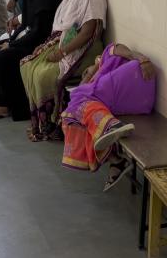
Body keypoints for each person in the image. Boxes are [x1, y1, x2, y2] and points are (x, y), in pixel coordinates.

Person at [19, 0, 106, 142]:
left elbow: (87, 33)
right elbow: (63, 29)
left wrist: (61, 52)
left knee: (43, 76)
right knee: (27, 64)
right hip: (65, 42)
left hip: (84, 50)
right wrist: (45, 48)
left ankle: (53, 123)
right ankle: (41, 122)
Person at [61, 43, 156, 190]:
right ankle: (115, 158)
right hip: (132, 98)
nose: (87, 74)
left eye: (86, 73)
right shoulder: (96, 82)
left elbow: (124, 50)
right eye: (85, 75)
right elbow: (83, 87)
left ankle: (111, 128)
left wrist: (142, 59)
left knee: (78, 104)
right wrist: (85, 82)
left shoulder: (107, 55)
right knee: (77, 113)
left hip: (139, 75)